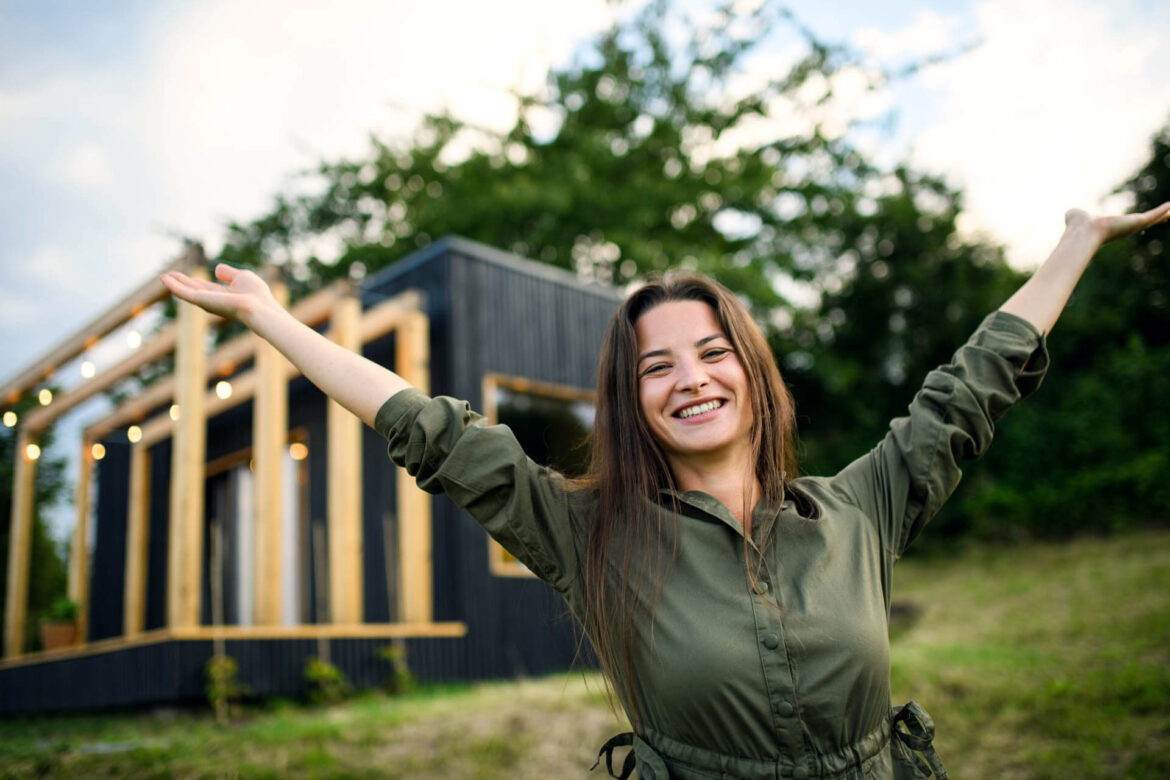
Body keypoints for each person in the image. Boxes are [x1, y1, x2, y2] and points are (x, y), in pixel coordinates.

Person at [161, 202, 1170, 779]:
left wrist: (1074, 245)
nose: (689, 377)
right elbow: (426, 428)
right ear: (631, 400)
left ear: (749, 368)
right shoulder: (583, 532)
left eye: (709, 351)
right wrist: (272, 321)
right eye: (655, 367)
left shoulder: (861, 508)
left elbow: (968, 392)